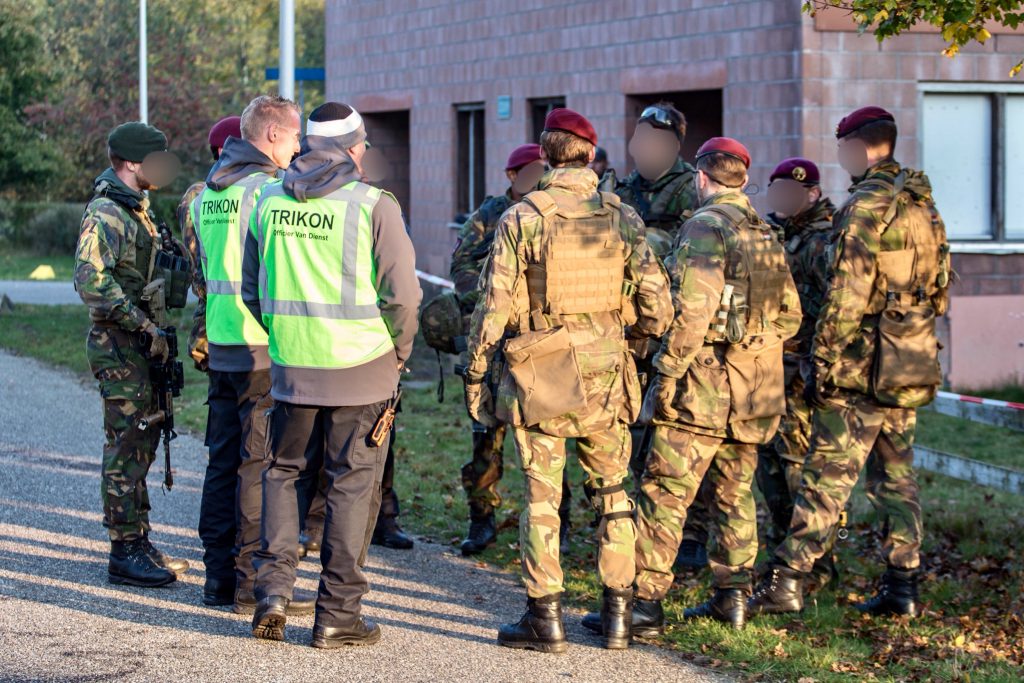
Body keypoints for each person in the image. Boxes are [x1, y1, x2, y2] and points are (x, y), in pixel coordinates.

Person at [464, 108, 672, 652]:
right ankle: (619, 615)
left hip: (543, 370)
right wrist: (635, 342)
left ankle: (545, 617)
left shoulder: (524, 216)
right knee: (612, 490)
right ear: (589, 153)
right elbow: (658, 303)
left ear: (544, 153)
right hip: (609, 371)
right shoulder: (621, 214)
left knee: (542, 494)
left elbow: (493, 307)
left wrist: (477, 369)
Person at [749, 106, 951, 620]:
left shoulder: (866, 206)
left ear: (859, 149)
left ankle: (790, 579)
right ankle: (902, 584)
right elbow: (942, 285)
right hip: (910, 356)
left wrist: (823, 358)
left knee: (826, 474)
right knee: (896, 475)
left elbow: (847, 293)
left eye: (843, 149)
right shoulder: (921, 204)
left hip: (861, 365)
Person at [242, 102, 421, 648]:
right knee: (351, 485)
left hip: (293, 367)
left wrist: (285, 336)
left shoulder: (268, 198)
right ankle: (338, 614)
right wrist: (398, 356)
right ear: (355, 147)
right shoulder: (373, 205)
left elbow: (252, 287)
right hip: (362, 372)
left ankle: (271, 592)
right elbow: (405, 299)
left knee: (282, 474)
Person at [607, 137, 801, 634]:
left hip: (703, 388)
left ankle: (644, 604)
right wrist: (750, 342)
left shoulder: (704, 226)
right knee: (735, 492)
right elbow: (792, 317)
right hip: (756, 387)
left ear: (701, 178)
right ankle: (732, 597)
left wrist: (666, 373)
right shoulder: (764, 230)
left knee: (665, 491)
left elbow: (691, 313)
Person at [182, 97, 320, 615]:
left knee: (222, 459)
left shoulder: (210, 191)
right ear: (270, 137)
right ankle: (250, 582)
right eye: (293, 138)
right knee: (256, 465)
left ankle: (217, 576)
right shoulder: (265, 191)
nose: (299, 147)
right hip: (260, 344)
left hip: (220, 340)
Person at [75, 121, 189, 587]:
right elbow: (90, 282)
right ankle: (123, 550)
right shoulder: (106, 213)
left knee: (143, 438)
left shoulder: (137, 209)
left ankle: (139, 539)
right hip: (120, 345)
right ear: (133, 163)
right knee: (125, 445)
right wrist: (141, 324)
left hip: (141, 345)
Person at [449, 143, 573, 556]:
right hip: (495, 342)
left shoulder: (554, 213)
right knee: (486, 437)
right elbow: (461, 268)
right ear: (512, 176)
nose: (540, 177)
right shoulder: (488, 216)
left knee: (552, 432)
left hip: (541, 344)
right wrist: (486, 302)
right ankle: (481, 518)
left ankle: (561, 523)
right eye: (532, 170)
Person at [756, 157, 841, 595]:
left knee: (798, 469)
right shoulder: (771, 234)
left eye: (794, 192)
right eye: (778, 191)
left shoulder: (824, 239)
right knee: (770, 466)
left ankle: (814, 566)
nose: (783, 199)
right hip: (770, 368)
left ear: (812, 194)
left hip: (803, 371)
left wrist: (818, 363)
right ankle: (779, 556)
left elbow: (835, 308)